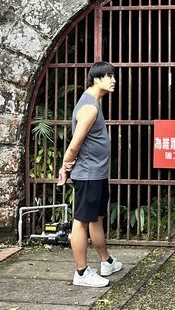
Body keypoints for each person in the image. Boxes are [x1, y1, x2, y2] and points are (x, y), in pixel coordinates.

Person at [57, 61, 123, 287]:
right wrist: (65, 166)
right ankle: (82, 273)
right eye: (109, 76)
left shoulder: (95, 102)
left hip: (96, 173)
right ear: (96, 78)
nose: (114, 80)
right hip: (88, 174)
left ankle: (107, 262)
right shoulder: (90, 107)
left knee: (96, 219)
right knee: (81, 222)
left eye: (113, 76)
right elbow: (75, 144)